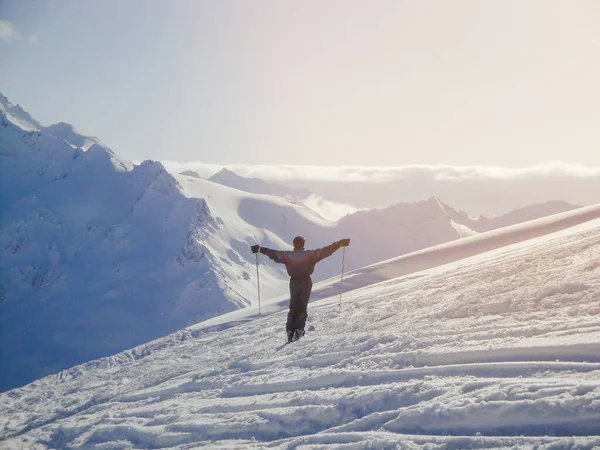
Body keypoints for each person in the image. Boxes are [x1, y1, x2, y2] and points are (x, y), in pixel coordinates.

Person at [251, 236, 350, 342]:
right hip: (306, 282)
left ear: (294, 244)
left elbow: (273, 254)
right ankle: (299, 330)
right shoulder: (310, 255)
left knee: (293, 307)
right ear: (303, 244)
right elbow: (326, 251)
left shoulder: (287, 255)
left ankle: (290, 331)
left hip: (294, 282)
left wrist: (260, 249)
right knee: (302, 306)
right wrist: (339, 244)